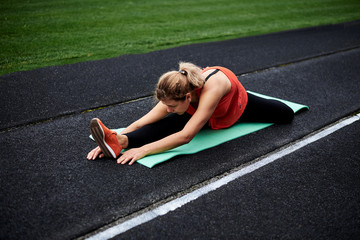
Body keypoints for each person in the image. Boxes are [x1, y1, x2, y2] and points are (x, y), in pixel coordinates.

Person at [87, 62, 294, 165]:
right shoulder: (173, 94)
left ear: (188, 96)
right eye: (165, 104)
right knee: (168, 122)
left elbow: (187, 137)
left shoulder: (213, 87)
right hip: (207, 114)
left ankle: (248, 96)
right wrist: (115, 138)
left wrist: (144, 150)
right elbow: (143, 122)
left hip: (239, 109)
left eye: (171, 106)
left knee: (286, 114)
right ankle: (121, 142)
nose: (167, 109)